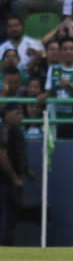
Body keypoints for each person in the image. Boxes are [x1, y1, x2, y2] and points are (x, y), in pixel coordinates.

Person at [0, 103, 27, 246]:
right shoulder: (4, 130)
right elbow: (2, 155)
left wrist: (27, 172)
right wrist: (14, 177)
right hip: (4, 181)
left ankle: (7, 245)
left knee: (11, 216)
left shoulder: (15, 131)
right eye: (17, 113)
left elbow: (19, 154)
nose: (21, 116)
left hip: (11, 181)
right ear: (7, 114)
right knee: (6, 215)